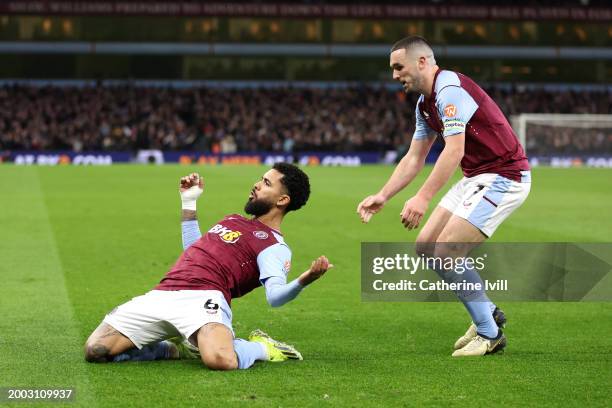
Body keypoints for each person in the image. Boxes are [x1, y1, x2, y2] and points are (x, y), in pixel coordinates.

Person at [357, 36, 531, 357]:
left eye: (399, 66)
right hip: (477, 175)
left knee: (447, 249)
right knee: (426, 247)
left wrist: (422, 197)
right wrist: (384, 195)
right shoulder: (426, 104)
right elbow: (414, 157)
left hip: (505, 175)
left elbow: (454, 150)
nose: (394, 75)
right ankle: (487, 312)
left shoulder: (449, 91)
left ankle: (489, 334)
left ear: (422, 62)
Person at [85, 162, 333, 370]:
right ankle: (171, 350)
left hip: (206, 298)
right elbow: (194, 249)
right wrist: (189, 202)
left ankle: (263, 347)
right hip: (165, 291)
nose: (256, 184)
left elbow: (275, 298)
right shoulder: (233, 219)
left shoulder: (274, 246)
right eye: (261, 179)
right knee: (95, 350)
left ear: (283, 199)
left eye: (267, 183)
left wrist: (305, 279)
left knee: (221, 360)